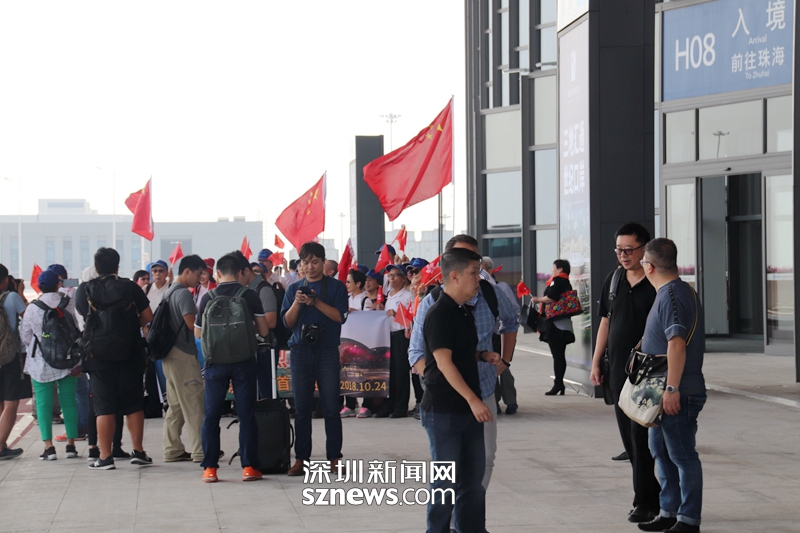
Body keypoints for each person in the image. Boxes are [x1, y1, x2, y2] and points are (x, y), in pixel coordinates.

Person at [410, 235, 519, 532]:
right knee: (446, 480)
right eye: (473, 271)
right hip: (447, 408)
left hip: (477, 399)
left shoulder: (468, 308)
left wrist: (487, 356)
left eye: (478, 267)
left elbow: (464, 350)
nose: (479, 275)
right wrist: (470, 398)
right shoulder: (436, 310)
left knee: (474, 477)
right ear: (454, 273)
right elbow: (442, 362)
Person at [589, 222, 660, 523]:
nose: (623, 255)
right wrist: (596, 362)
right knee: (629, 440)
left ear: (644, 249)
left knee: (641, 437)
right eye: (619, 250)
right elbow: (605, 321)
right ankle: (653, 494)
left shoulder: (656, 281)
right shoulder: (614, 279)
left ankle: (644, 501)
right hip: (618, 370)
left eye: (629, 250)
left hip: (649, 372)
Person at [637, 238, 706, 533]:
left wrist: (671, 389)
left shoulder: (672, 296)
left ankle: (688, 520)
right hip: (663, 392)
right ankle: (669, 511)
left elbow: (676, 344)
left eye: (642, 261)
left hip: (677, 391)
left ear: (649, 266)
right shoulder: (675, 291)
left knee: (682, 455)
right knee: (661, 451)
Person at [75, 247, 154, 470]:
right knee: (134, 404)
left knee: (104, 406)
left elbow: (84, 316)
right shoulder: (130, 287)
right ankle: (138, 452)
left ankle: (105, 457)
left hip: (98, 355)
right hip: (130, 352)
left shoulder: (85, 289)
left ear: (96, 267)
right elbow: (148, 316)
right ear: (117, 267)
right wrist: (129, 327)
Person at [195, 253, 270, 483]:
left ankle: (210, 469)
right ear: (240, 272)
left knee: (211, 416)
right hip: (244, 362)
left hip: (215, 364)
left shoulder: (208, 297)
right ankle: (249, 467)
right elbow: (264, 330)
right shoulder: (249, 295)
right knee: (246, 415)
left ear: (217, 274)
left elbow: (198, 333)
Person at [281, 242, 349, 476]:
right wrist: (297, 303)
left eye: (314, 262)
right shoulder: (294, 289)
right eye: (305, 262)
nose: (309, 267)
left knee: (331, 407)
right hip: (300, 352)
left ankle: (335, 458)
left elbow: (340, 317)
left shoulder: (336, 287)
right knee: (301, 409)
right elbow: (287, 323)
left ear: (323, 262)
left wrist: (316, 302)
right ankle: (301, 459)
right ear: (300, 264)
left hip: (327, 351)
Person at [20, 270, 82, 461]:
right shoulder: (67, 302)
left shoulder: (32, 308)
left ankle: (49, 448)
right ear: (58, 284)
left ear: (39, 286)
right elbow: (75, 328)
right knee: (69, 402)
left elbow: (26, 336)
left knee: (44, 404)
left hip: (41, 362)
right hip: (68, 359)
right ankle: (71, 445)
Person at [159, 255, 207, 462]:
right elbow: (191, 325)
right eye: (198, 274)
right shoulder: (183, 294)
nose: (199, 279)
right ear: (187, 271)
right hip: (183, 355)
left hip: (169, 355)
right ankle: (201, 450)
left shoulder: (169, 291)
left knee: (176, 405)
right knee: (194, 402)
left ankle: (172, 449)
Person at [482, 256, 521, 415]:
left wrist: (500, 320)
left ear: (490, 270)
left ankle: (510, 401)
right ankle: (494, 401)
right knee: (487, 367)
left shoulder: (500, 287)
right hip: (486, 336)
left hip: (500, 335)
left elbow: (513, 310)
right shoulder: (476, 289)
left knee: (503, 366)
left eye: (481, 269)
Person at [374, 264, 414, 418]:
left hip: (401, 336)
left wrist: (397, 314)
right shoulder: (388, 296)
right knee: (388, 372)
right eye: (390, 275)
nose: (392, 278)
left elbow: (411, 320)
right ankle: (388, 405)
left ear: (403, 279)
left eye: (395, 275)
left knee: (401, 372)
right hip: (387, 336)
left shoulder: (407, 296)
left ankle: (401, 407)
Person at [530, 259, 574, 395]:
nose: (551, 270)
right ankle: (559, 384)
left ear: (560, 269)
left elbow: (552, 297)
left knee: (557, 356)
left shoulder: (558, 280)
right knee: (559, 355)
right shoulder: (565, 282)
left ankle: (558, 384)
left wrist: (537, 300)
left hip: (556, 324)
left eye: (553, 267)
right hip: (562, 323)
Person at [0, 263, 30, 460]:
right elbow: (30, 318)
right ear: (5, 280)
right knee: (11, 402)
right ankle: (0, 447)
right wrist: (20, 293)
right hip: (9, 356)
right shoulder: (11, 297)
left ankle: (2, 445)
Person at [239, 253, 279, 400]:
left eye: (237, 275)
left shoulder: (263, 289)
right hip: (253, 347)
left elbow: (271, 322)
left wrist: (246, 324)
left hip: (265, 348)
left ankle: (270, 414)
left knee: (265, 390)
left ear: (246, 271)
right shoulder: (247, 290)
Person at [341, 269, 373, 418]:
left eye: (349, 282)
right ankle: (349, 404)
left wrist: (353, 311)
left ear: (358, 284)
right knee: (348, 373)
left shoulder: (366, 301)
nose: (347, 284)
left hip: (363, 343)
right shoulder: (345, 298)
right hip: (347, 341)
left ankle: (367, 405)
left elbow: (369, 320)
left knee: (365, 373)